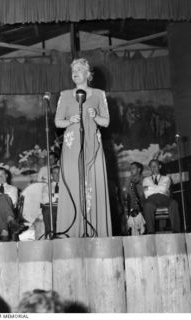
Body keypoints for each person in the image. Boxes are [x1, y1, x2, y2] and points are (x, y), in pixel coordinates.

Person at [55, 58, 112, 237]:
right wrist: (69, 121)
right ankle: (72, 232)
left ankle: (96, 233)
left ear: (88, 74)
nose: (75, 72)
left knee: (93, 186)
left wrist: (95, 116)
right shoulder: (64, 95)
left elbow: (106, 121)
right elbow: (57, 122)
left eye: (80, 69)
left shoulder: (98, 94)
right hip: (72, 148)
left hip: (93, 146)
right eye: (73, 69)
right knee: (73, 185)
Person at [142, 159, 181, 233]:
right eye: (151, 166)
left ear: (159, 166)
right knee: (147, 205)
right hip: (151, 199)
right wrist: (159, 188)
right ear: (150, 168)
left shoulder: (166, 178)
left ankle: (176, 231)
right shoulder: (146, 180)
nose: (153, 168)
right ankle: (151, 232)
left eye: (155, 166)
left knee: (174, 203)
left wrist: (150, 188)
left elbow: (163, 189)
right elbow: (147, 193)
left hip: (164, 199)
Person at [0, 167, 22, 241]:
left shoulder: (13, 188)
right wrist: (3, 195)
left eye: (2, 174)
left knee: (3, 198)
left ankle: (4, 231)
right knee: (3, 196)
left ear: (6, 175)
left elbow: (14, 201)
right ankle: (10, 219)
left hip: (4, 211)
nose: (1, 177)